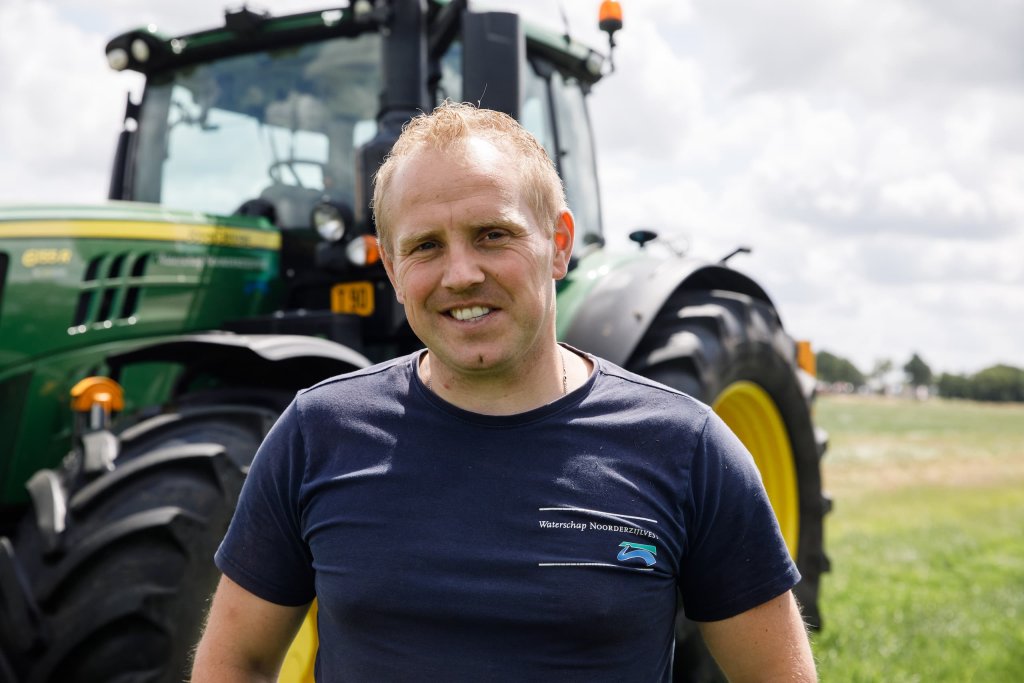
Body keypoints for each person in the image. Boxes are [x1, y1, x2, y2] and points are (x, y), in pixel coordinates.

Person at [191, 102, 817, 682]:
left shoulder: (685, 447)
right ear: (391, 269)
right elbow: (237, 662)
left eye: (493, 234)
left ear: (559, 244)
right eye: (426, 246)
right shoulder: (316, 434)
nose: (461, 274)